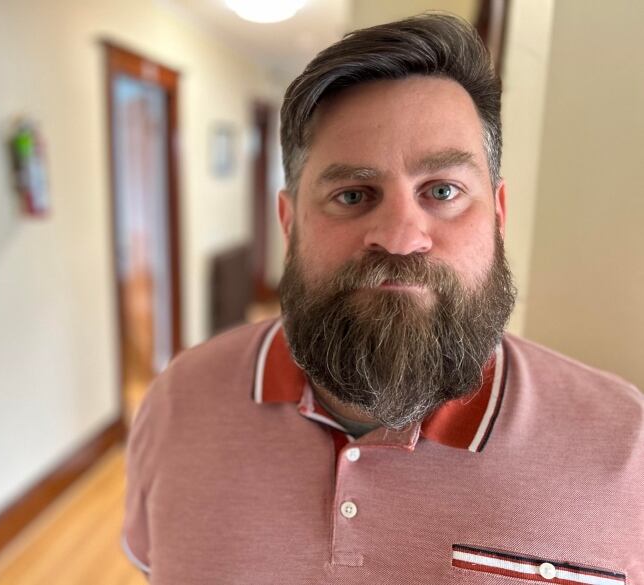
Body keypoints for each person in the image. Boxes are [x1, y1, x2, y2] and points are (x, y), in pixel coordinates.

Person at [123, 14, 643, 584]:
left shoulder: (627, 448)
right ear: (290, 224)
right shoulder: (179, 403)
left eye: (442, 191)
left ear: (497, 214)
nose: (399, 236)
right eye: (353, 194)